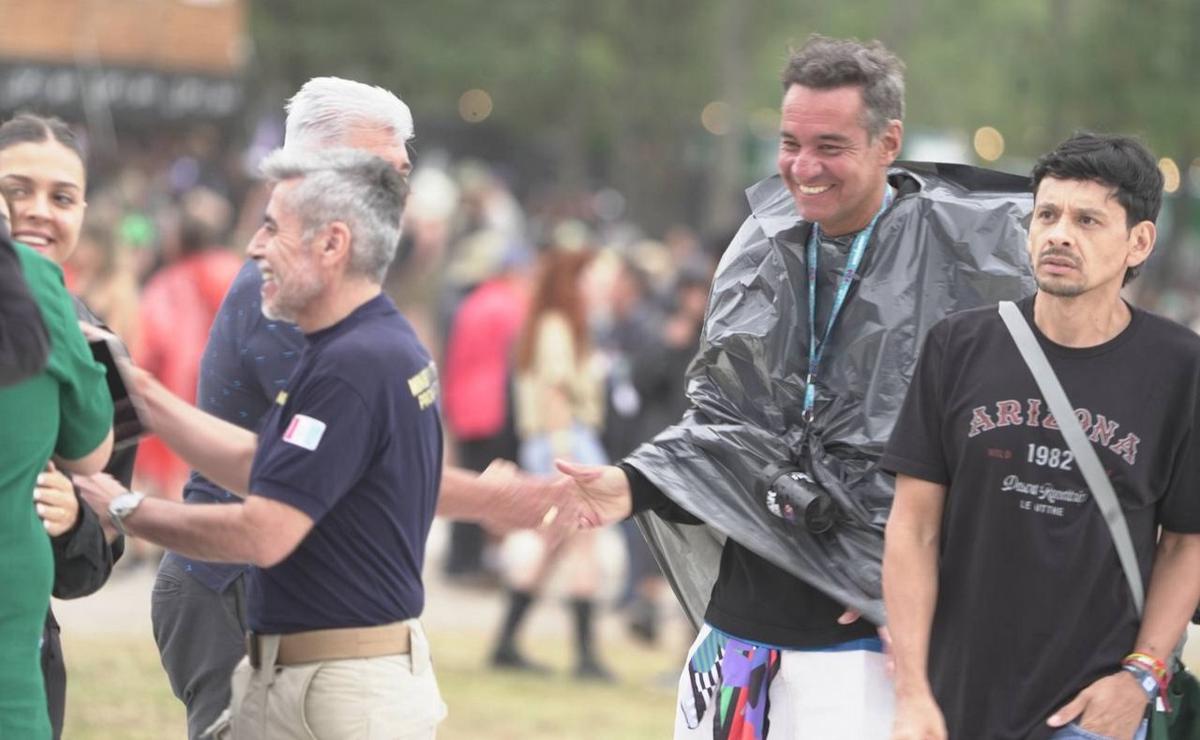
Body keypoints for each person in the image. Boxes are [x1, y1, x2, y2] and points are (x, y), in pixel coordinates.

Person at [554, 34, 1034, 738]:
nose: (802, 168)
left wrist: (913, 584)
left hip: (864, 652)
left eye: (830, 146)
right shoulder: (763, 245)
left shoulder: (968, 259)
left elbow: (1002, 451)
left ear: (887, 141)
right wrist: (632, 483)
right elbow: (725, 419)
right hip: (743, 629)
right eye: (789, 143)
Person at [137, 77, 578, 740]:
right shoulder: (286, 301)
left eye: (403, 167)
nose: (400, 187)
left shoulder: (337, 292)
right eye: (381, 166)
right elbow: (342, 468)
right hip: (230, 588)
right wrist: (492, 499)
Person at [78, 147, 448, 739]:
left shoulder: (350, 366)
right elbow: (268, 465)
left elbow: (264, 529)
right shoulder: (367, 345)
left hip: (340, 689)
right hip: (332, 676)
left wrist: (127, 509)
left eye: (272, 229)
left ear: (332, 244)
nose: (253, 249)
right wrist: (144, 394)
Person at [882, 132, 1200, 740]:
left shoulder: (1181, 368)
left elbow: (1186, 545)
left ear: (1140, 241)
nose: (1058, 234)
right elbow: (913, 528)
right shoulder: (958, 346)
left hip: (1090, 713)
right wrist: (914, 692)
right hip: (954, 704)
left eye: (1087, 220)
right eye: (1047, 214)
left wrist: (1139, 678)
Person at [0, 113, 136, 739]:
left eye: (62, 198)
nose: (36, 212)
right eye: (16, 188)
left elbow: (99, 552)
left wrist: (77, 520)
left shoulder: (101, 348)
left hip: (23, 649)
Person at [490, 244, 614, 681]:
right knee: (584, 542)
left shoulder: (549, 325)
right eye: (588, 277)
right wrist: (568, 460)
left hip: (553, 441)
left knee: (554, 545)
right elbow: (555, 392)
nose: (596, 285)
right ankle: (585, 657)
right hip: (566, 441)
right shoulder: (558, 327)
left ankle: (505, 642)